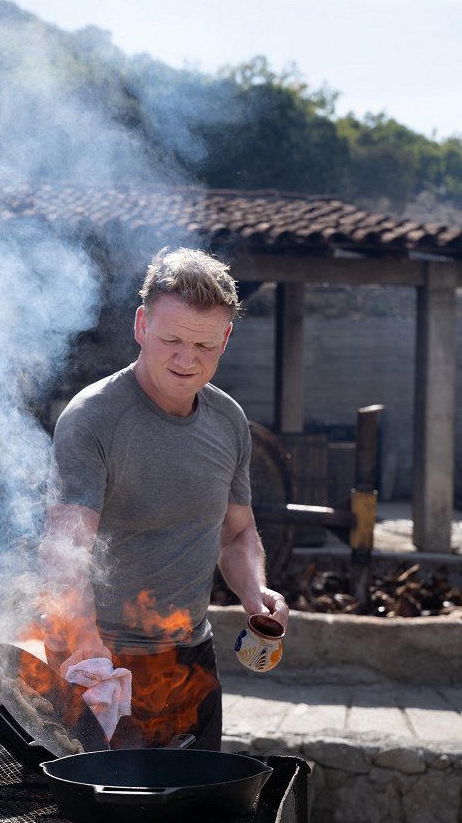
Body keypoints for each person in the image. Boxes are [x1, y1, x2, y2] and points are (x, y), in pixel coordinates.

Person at [39, 246, 288, 751]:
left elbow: (237, 532)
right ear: (141, 325)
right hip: (99, 661)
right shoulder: (93, 419)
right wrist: (86, 645)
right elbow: (65, 552)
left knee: (196, 821)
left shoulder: (229, 421)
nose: (185, 359)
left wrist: (253, 592)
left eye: (203, 345)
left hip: (189, 660)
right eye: (171, 338)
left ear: (226, 337)